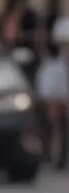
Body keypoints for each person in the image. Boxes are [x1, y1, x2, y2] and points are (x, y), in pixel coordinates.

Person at [36, 19, 69, 170]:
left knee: (59, 129)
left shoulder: (56, 65)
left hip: (58, 99)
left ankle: (58, 157)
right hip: (56, 99)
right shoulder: (55, 65)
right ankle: (54, 156)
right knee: (56, 128)